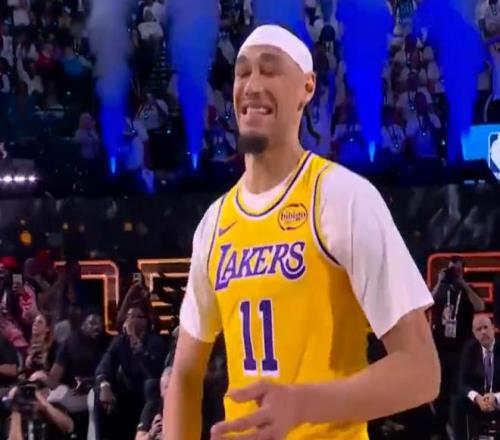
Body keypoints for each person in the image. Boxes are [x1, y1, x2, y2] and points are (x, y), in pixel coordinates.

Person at [165, 24, 439, 440]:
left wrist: (304, 404)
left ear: (306, 88)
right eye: (243, 72)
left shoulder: (342, 196)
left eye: (270, 69)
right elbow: (185, 373)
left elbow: (421, 370)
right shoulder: (215, 223)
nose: (252, 85)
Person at [95, 305, 168, 439]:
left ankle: (143, 432)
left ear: (146, 321)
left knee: (150, 385)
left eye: (137, 316)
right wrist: (104, 384)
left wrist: (134, 339)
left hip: (150, 395)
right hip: (127, 395)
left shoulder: (156, 342)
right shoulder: (120, 341)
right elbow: (104, 364)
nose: (131, 320)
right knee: (99, 389)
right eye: (129, 316)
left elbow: (152, 371)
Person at [431, 256, 485, 438]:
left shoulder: (468, 291)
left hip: (461, 350)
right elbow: (427, 303)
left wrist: (463, 283)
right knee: (441, 392)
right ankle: (440, 431)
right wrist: (439, 282)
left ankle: (460, 429)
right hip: (441, 349)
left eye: (458, 270)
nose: (454, 274)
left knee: (460, 389)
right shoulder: (441, 290)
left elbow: (480, 305)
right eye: (451, 270)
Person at [456, 315, 500, 439]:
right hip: (480, 399)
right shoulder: (469, 348)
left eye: (486, 327)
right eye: (479, 329)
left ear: (493, 328)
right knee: (458, 400)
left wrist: (496, 398)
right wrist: (477, 398)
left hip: (498, 396)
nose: (483, 332)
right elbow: (461, 382)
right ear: (474, 333)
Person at [6, 371, 74, 440]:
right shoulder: (19, 411)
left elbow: (69, 428)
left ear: (47, 391)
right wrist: (16, 408)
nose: (33, 392)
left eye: (39, 386)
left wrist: (44, 403)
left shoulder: (55, 408)